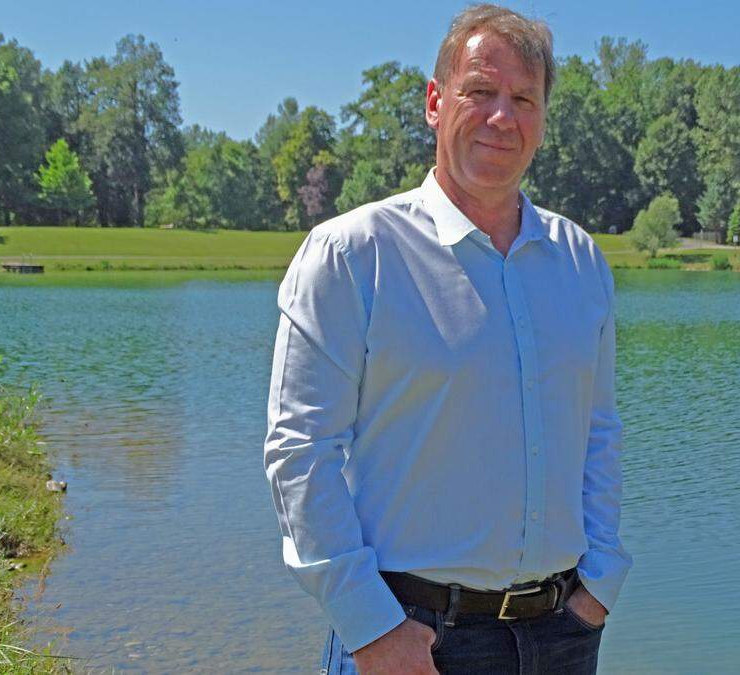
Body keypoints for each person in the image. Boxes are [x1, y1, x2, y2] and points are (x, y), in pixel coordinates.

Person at [263, 4, 631, 674]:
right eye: (480, 92)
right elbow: (300, 453)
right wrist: (370, 629)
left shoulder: (579, 261)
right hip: (412, 638)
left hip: (563, 633)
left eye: (524, 98)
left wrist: (600, 583)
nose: (502, 117)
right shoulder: (352, 254)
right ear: (435, 102)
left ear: (543, 118)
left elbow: (598, 431)